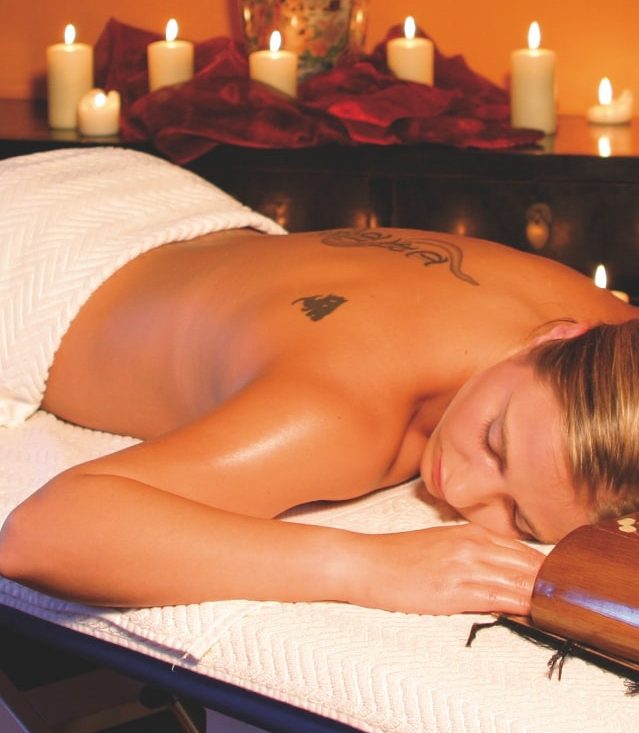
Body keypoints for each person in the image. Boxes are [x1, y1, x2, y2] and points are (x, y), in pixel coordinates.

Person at [0, 147, 638, 616]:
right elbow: (42, 535)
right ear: (556, 338)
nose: (463, 488)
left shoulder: (604, 328)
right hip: (28, 264)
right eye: (495, 440)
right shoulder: (339, 415)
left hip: (136, 182)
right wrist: (362, 564)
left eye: (519, 519)